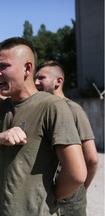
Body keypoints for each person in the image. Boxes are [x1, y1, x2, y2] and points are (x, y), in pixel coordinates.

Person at [0, 37, 87, 215]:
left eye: (4, 66)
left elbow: (77, 174)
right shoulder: (3, 108)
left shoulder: (52, 106)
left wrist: (49, 197)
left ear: (27, 68)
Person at [35, 60, 98, 216]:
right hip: (47, 199)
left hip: (68, 204)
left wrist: (78, 190)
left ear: (58, 81)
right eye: (35, 78)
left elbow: (92, 160)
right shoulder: (44, 110)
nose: (36, 82)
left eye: (41, 78)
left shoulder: (73, 110)